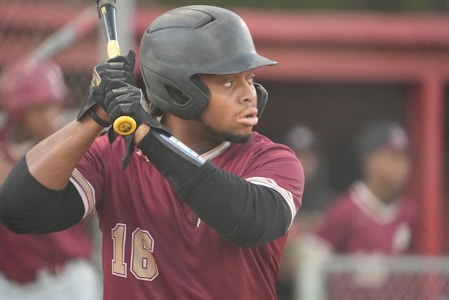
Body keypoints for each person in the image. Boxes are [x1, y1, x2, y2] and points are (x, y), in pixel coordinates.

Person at [0, 5, 304, 300]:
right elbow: (20, 210)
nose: (249, 94)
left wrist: (146, 134)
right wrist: (94, 117)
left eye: (249, 78)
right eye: (228, 82)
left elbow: (251, 220)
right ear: (176, 91)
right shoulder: (113, 155)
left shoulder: (271, 159)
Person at [0, 60, 101, 299]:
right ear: (17, 111)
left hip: (64, 281)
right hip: (9, 284)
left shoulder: (62, 148)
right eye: (40, 109)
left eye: (55, 107)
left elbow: (23, 193)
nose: (51, 116)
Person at [302, 120, 418, 299]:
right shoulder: (344, 210)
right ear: (369, 160)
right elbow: (311, 267)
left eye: (404, 157)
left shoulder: (408, 212)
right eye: (392, 156)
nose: (401, 166)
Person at [276, 124, 334, 300]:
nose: (301, 163)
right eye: (295, 156)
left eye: (307, 157)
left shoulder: (330, 201)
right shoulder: (269, 197)